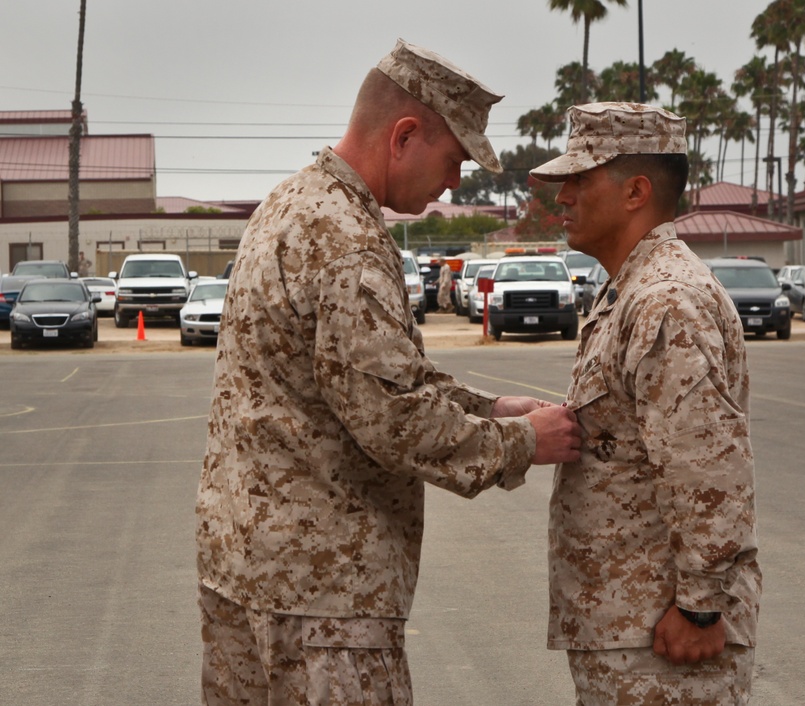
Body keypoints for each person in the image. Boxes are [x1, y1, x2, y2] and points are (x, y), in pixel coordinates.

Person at [195, 39, 582, 706]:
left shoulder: (285, 206)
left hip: (244, 571)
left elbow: (360, 381)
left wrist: (490, 408)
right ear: (405, 135)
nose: (456, 181)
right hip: (325, 600)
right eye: (455, 157)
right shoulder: (347, 239)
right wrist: (523, 442)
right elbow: (394, 420)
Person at [530, 102, 762, 704]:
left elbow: (707, 465)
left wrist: (702, 607)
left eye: (579, 180)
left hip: (664, 635)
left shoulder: (667, 300)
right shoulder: (631, 288)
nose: (563, 198)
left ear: (635, 191)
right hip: (628, 624)